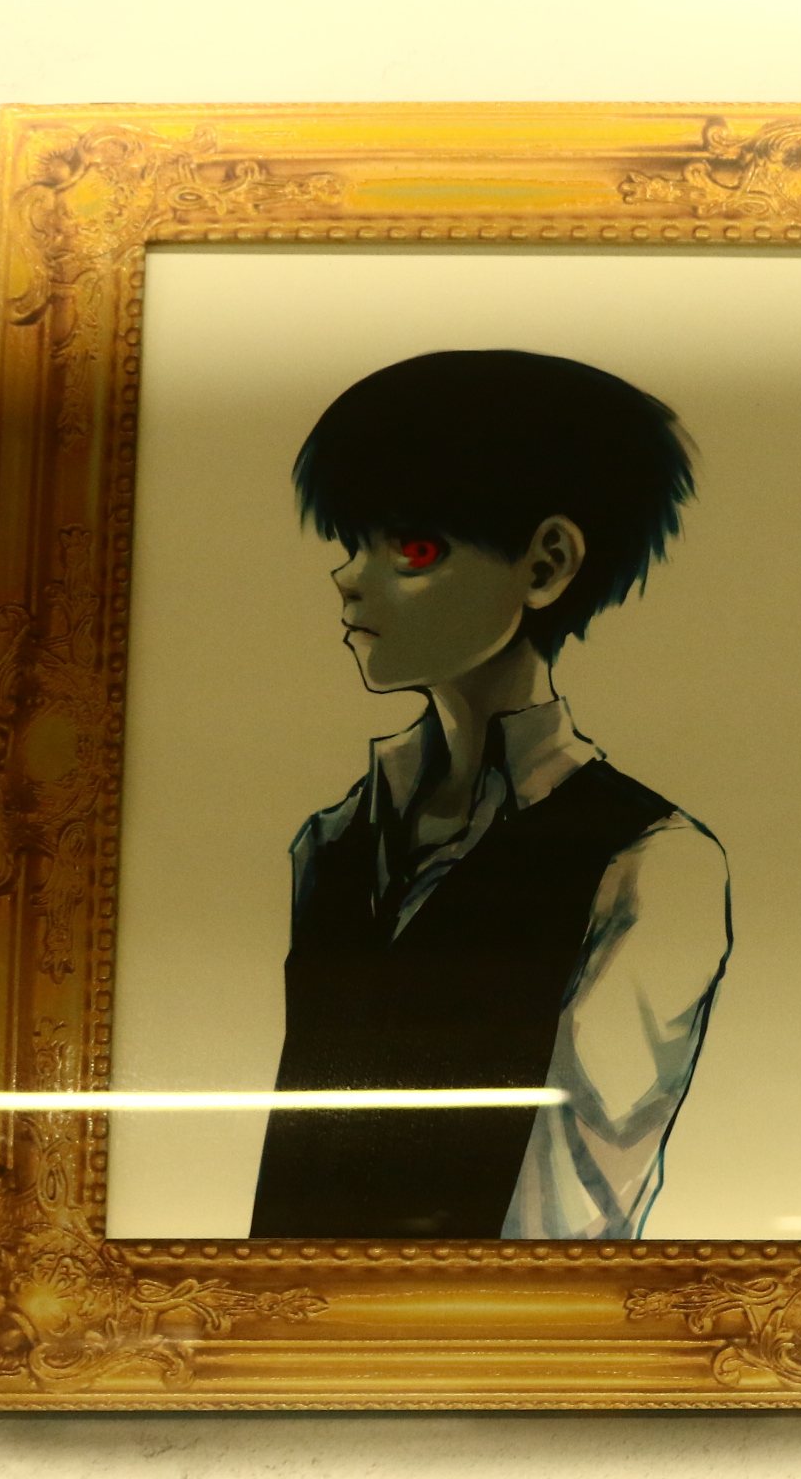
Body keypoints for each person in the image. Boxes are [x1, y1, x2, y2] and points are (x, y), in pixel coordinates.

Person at [250, 350, 732, 1242]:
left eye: (413, 548)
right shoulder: (335, 839)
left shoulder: (647, 862)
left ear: (546, 564)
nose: (348, 577)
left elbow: (577, 1216)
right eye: (354, 543)